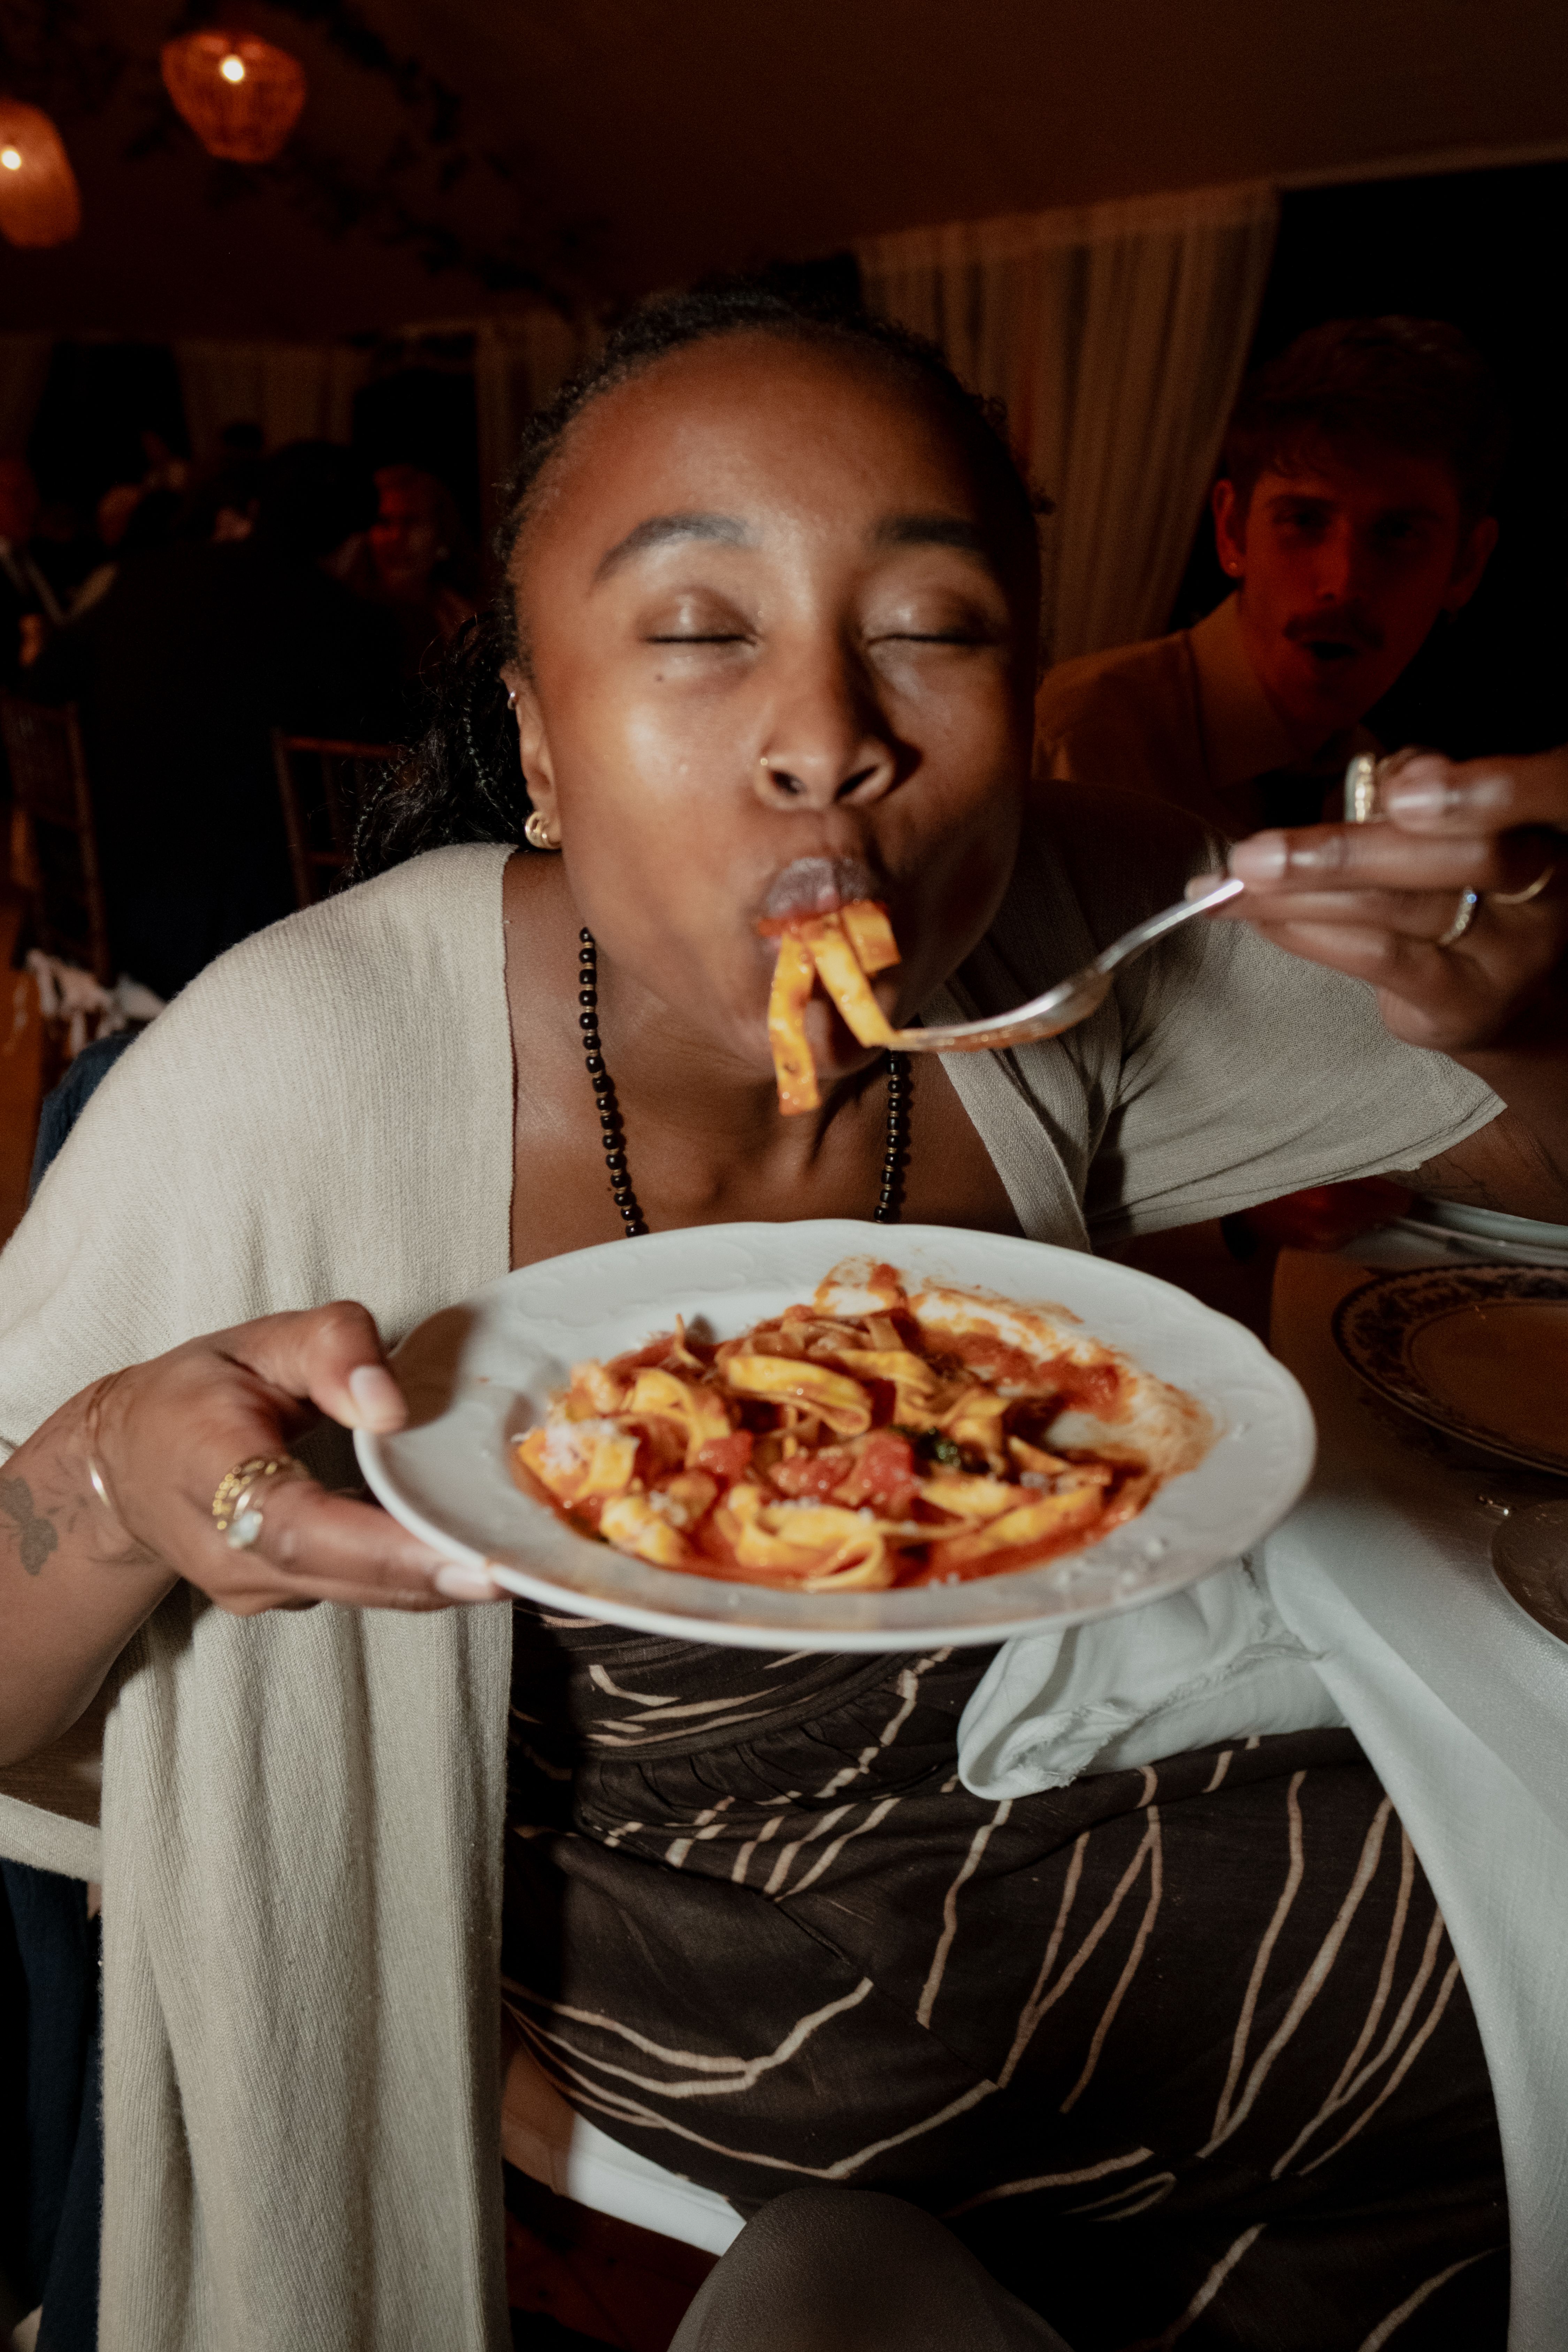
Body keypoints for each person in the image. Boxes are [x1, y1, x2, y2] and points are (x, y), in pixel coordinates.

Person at [0, 280, 1563, 2351]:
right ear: (539, 741)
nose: (829, 729)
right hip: (677, 1931)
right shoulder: (291, 1076)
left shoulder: (1053, 930)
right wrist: (114, 1483)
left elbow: (1508, 1148)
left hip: (1066, 1771)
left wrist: (1513, 1005)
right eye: (693, 627)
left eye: (929, 624)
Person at [1034, 317, 1506, 838]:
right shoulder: (1069, 746)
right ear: (1232, 532)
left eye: (1396, 534)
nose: (1342, 581)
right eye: (1303, 521)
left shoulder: (1387, 796)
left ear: (1464, 566)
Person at [24, 439, 403, 999]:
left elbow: (38, 694)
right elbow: (378, 796)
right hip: (261, 947)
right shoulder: (353, 627)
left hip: (101, 909)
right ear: (353, 546)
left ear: (254, 513)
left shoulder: (147, 578)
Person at [368, 461, 481, 684]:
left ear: (442, 534)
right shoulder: (344, 621)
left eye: (411, 522)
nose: (396, 538)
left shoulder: (465, 623)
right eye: (385, 522)